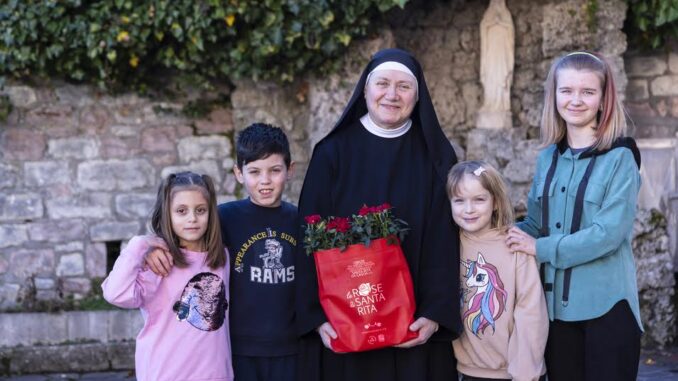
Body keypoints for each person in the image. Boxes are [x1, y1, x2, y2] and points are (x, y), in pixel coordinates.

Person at [296, 48, 460, 381]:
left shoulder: (436, 157)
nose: (391, 94)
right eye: (382, 83)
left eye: (403, 86)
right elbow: (306, 235)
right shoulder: (332, 153)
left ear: (418, 95)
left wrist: (435, 313)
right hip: (346, 323)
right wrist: (315, 315)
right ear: (366, 89)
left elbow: (446, 240)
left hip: (414, 326)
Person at [505, 51, 643, 381]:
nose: (576, 100)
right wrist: (496, 233)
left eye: (588, 92)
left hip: (608, 310)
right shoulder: (548, 158)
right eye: (567, 91)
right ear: (554, 96)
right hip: (554, 313)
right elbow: (535, 225)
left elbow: (608, 234)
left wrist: (540, 249)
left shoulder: (621, 157)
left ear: (603, 98)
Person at [145, 123, 299, 381]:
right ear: (239, 173)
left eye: (274, 170)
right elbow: (183, 236)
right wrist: (151, 247)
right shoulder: (224, 218)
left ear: (289, 170)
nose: (265, 181)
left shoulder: (299, 219)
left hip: (291, 349)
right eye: (254, 171)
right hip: (236, 348)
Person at [102, 171, 233, 381]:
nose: (192, 218)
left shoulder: (221, 258)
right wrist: (139, 245)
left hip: (215, 374)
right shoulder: (160, 262)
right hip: (166, 374)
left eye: (200, 210)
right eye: (181, 211)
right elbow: (116, 294)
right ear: (167, 214)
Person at [447, 160, 548, 381]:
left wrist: (525, 373)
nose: (469, 209)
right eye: (459, 201)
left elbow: (530, 312)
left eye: (479, 199)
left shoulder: (514, 245)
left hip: (516, 373)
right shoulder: (448, 245)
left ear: (494, 202)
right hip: (468, 371)